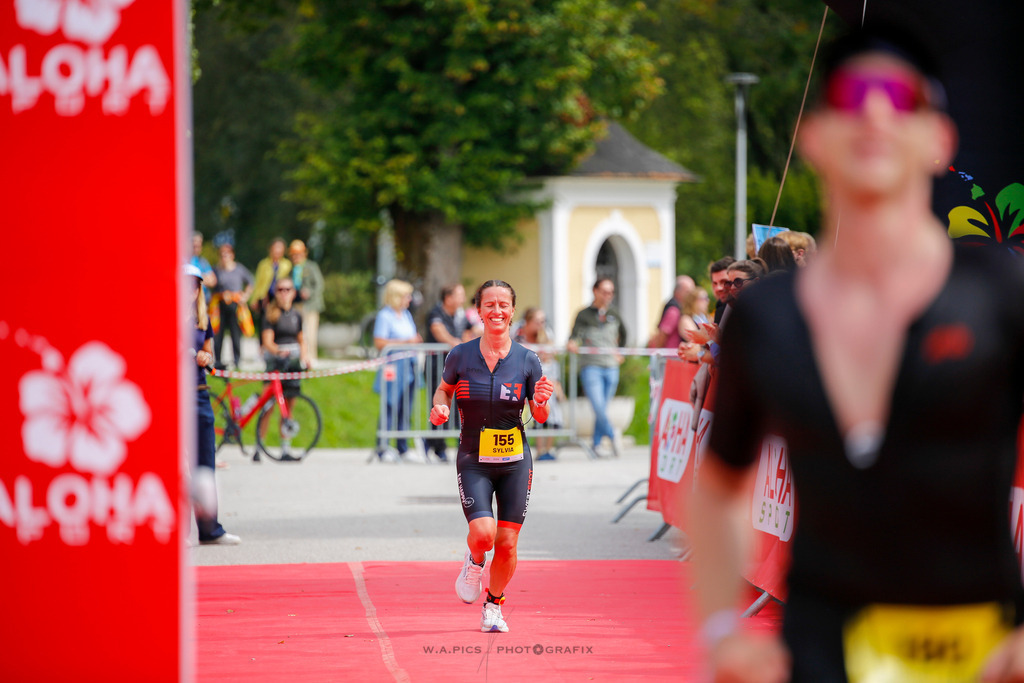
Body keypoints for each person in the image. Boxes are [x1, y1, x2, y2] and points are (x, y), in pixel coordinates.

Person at [691, 26, 1024, 683]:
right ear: (815, 137)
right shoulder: (765, 314)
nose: (875, 111)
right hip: (819, 650)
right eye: (852, 95)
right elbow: (721, 484)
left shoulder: (1000, 291)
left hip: (980, 653)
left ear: (940, 141)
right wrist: (722, 630)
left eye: (901, 98)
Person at [429, 280, 554, 633]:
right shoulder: (461, 355)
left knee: (508, 541)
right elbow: (444, 389)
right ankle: (474, 560)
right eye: (489, 304)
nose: (497, 310)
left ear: (513, 310)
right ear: (479, 311)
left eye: (503, 304)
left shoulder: (528, 360)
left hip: (515, 460)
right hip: (474, 458)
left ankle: (494, 605)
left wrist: (542, 401)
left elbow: (539, 415)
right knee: (484, 534)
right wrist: (440, 406)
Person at [185, 264, 240, 546]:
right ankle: (177, 532)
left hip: (199, 395)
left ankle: (210, 530)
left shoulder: (202, 320)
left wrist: (207, 359)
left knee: (205, 465)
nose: (189, 289)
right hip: (172, 398)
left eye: (194, 285)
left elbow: (210, 355)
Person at [567, 278, 628, 457]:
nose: (608, 296)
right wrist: (572, 343)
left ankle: (596, 444)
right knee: (598, 406)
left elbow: (624, 334)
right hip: (591, 365)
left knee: (603, 407)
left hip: (611, 366)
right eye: (605, 291)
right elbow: (574, 335)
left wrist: (620, 352)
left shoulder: (614, 313)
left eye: (611, 292)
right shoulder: (584, 314)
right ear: (595, 291)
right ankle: (612, 433)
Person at [259, 278, 310, 462]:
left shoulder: (297, 315)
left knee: (288, 407)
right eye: (280, 290)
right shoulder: (271, 314)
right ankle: (260, 446)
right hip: (277, 363)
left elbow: (302, 339)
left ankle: (285, 448)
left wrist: (304, 357)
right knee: (268, 406)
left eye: (287, 289)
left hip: (293, 364)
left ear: (293, 293)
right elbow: (267, 342)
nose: (284, 293)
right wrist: (280, 351)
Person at [373, 279, 422, 460]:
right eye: (406, 296)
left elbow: (411, 336)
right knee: (390, 405)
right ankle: (383, 446)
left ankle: (403, 447)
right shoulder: (385, 316)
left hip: (408, 365)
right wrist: (406, 342)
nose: (409, 299)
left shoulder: (406, 315)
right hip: (393, 366)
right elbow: (379, 342)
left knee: (406, 407)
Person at [423, 283, 470, 462]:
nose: (463, 299)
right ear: (448, 297)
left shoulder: (460, 315)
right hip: (437, 367)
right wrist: (455, 343)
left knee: (459, 406)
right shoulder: (436, 313)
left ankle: (461, 445)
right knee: (439, 405)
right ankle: (436, 445)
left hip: (457, 368)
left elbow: (469, 329)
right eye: (459, 295)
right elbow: (438, 331)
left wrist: (467, 340)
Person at [514, 307, 564, 461]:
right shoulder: (516, 335)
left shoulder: (546, 334)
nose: (542, 324)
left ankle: (547, 450)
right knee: (530, 420)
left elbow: (553, 356)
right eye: (538, 321)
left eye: (543, 321)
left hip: (545, 392)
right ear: (528, 322)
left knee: (549, 419)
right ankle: (527, 449)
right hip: (526, 385)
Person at [212, 242, 253, 370]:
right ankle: (218, 361)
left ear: (232, 255)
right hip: (220, 305)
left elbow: (251, 281)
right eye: (222, 254)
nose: (225, 257)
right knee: (218, 333)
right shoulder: (216, 269)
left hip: (235, 305)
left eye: (227, 254)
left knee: (236, 333)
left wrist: (245, 296)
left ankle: (237, 360)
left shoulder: (239, 269)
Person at [288, 240, 324, 367]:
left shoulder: (311, 266)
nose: (296, 257)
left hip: (310, 305)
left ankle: (312, 358)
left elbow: (319, 284)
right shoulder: (291, 269)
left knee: (310, 332)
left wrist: (310, 292)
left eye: (298, 254)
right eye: (293, 254)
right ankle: (301, 357)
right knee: (299, 333)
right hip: (296, 305)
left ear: (304, 254)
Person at [249, 237, 292, 321]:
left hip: (280, 297)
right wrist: (254, 299)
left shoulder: (287, 264)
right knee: (264, 321)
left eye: (280, 248)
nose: (277, 250)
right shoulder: (263, 264)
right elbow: (258, 282)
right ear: (270, 249)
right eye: (276, 247)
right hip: (265, 297)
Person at [647, 275, 695, 349]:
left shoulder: (680, 309)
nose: (692, 295)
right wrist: (658, 353)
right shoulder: (673, 311)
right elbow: (663, 334)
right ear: (678, 291)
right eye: (688, 292)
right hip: (671, 356)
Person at [709, 256, 736, 324]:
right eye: (715, 283)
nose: (718, 288)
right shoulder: (720, 308)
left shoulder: (750, 309)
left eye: (724, 282)